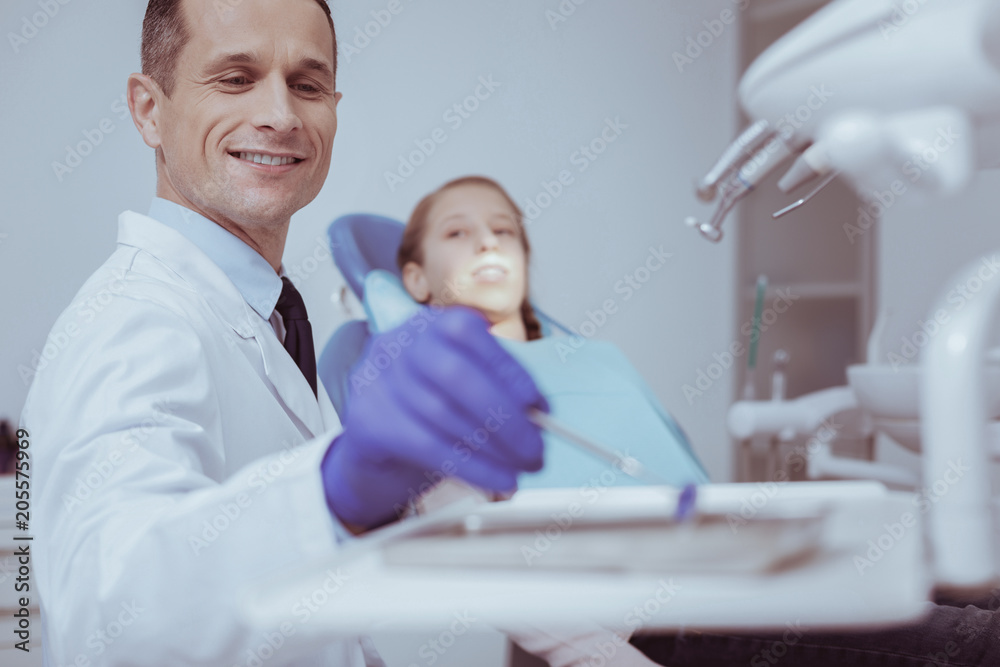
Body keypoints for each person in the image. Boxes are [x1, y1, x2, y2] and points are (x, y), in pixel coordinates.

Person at [21, 1, 550, 665]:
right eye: (236, 78)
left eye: (307, 84)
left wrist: (413, 502)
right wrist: (338, 484)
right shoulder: (133, 318)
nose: (281, 115)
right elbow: (111, 614)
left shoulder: (263, 314)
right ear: (148, 109)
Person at [389, 175, 708, 493]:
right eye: (456, 232)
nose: (489, 242)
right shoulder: (431, 380)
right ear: (417, 280)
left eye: (503, 230)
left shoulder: (601, 356)